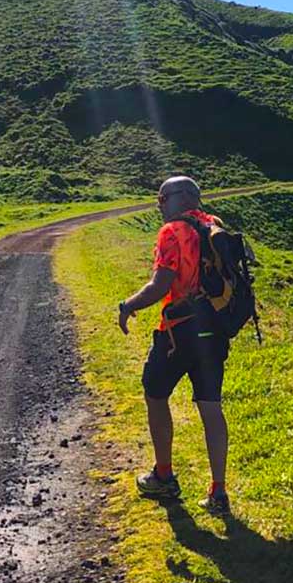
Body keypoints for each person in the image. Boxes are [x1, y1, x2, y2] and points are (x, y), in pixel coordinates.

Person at [117, 176, 232, 515]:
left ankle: (164, 476)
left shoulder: (172, 232)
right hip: (215, 331)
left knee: (155, 394)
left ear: (176, 199)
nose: (159, 205)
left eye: (162, 198)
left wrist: (127, 306)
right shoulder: (213, 226)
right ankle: (219, 493)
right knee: (211, 406)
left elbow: (160, 285)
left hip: (178, 332)